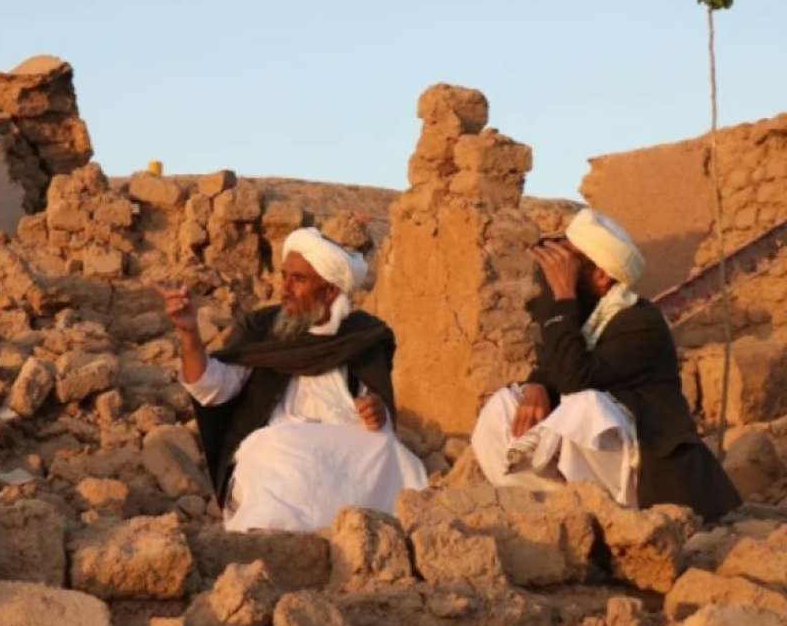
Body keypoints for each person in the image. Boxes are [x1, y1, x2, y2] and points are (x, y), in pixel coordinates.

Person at [470, 208, 741, 521]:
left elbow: (577, 378)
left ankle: (604, 517)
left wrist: (563, 295)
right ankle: (548, 512)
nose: (559, 271)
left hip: (646, 472)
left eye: (570, 265)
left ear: (601, 276)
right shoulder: (585, 313)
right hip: (596, 464)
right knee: (503, 405)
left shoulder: (640, 321)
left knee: (585, 408)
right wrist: (537, 384)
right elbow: (555, 357)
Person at [159, 226, 427, 532]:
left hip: (342, 448)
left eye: (298, 279)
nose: (284, 288)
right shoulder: (261, 329)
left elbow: (379, 416)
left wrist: (378, 415)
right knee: (276, 446)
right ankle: (273, 534)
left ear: (329, 291)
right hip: (283, 448)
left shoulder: (361, 337)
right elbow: (210, 388)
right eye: (284, 275)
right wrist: (189, 334)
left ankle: (368, 531)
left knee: (388, 451)